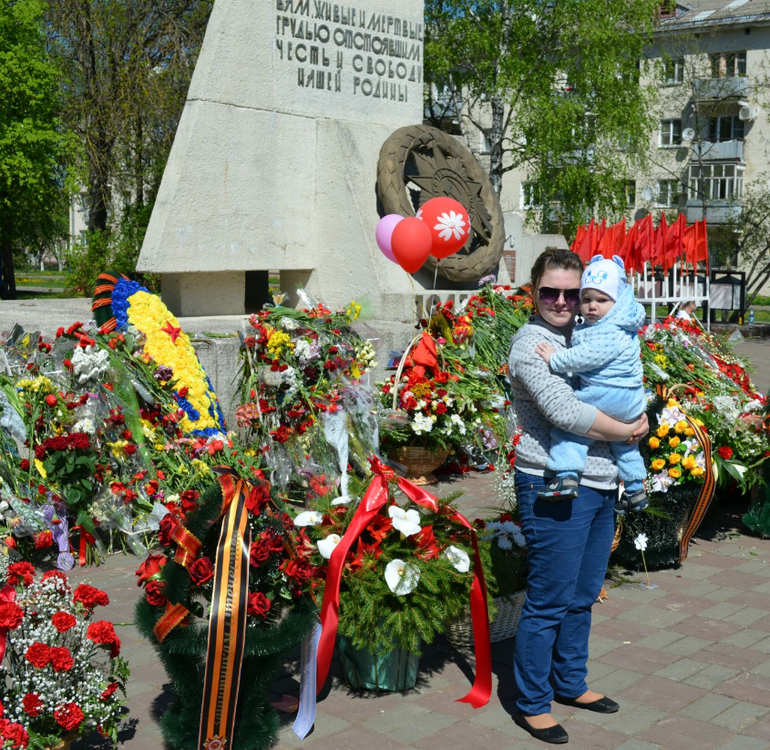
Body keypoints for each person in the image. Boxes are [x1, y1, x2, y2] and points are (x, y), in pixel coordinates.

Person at [507, 247, 648, 745]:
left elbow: (626, 380)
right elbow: (563, 411)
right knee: (549, 599)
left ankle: (570, 683)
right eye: (552, 292)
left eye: (574, 292)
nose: (564, 301)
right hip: (553, 481)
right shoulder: (532, 343)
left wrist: (640, 414)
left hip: (603, 479)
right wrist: (629, 431)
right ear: (534, 292)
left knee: (584, 595)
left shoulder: (593, 333)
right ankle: (532, 702)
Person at [534, 254, 649, 515]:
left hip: (607, 394)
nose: (591, 307)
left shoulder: (609, 330)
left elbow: (585, 357)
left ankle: (565, 475)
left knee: (571, 432)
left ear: (618, 302)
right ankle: (634, 489)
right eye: (586, 299)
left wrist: (555, 358)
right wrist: (630, 426)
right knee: (625, 446)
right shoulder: (622, 325)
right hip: (629, 399)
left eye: (601, 300)